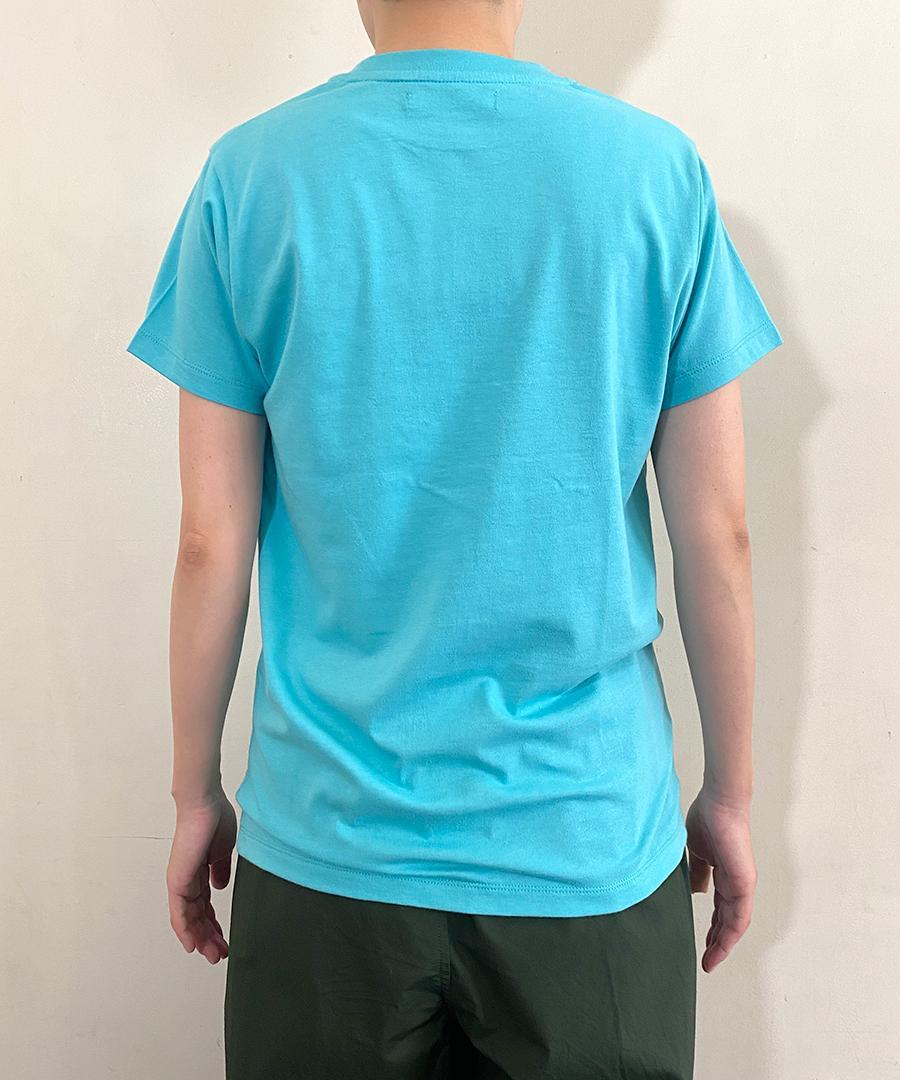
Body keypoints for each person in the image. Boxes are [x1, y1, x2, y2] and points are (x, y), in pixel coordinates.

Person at [125, 1, 783, 1076]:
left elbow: (210, 540)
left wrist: (196, 792)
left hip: (329, 847)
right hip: (586, 844)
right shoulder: (653, 174)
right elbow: (720, 533)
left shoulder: (253, 177)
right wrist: (732, 799)